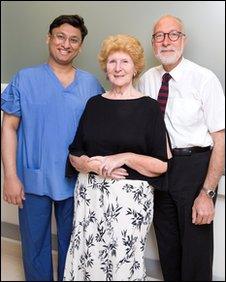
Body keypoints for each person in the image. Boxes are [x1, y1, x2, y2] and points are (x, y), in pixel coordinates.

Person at [1, 14, 104, 281]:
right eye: (60, 37)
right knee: (34, 245)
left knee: (74, 245)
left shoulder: (91, 84)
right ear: (49, 38)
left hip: (76, 178)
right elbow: (9, 128)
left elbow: (103, 131)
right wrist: (10, 177)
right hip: (33, 177)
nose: (65, 44)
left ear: (80, 46)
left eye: (73, 40)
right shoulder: (24, 79)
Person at [63, 34, 171, 281]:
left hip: (130, 201)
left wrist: (124, 157)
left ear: (135, 68)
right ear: (105, 67)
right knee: (87, 259)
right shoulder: (94, 104)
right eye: (112, 62)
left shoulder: (149, 108)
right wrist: (90, 164)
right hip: (90, 195)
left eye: (125, 61)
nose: (118, 68)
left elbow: (161, 164)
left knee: (123, 263)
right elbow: (74, 152)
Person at [137, 14, 225, 281]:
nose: (166, 41)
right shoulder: (145, 80)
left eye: (173, 34)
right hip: (159, 170)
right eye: (159, 36)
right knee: (168, 247)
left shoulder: (204, 79)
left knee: (195, 252)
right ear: (153, 43)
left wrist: (207, 193)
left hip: (194, 168)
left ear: (183, 40)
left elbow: (220, 140)